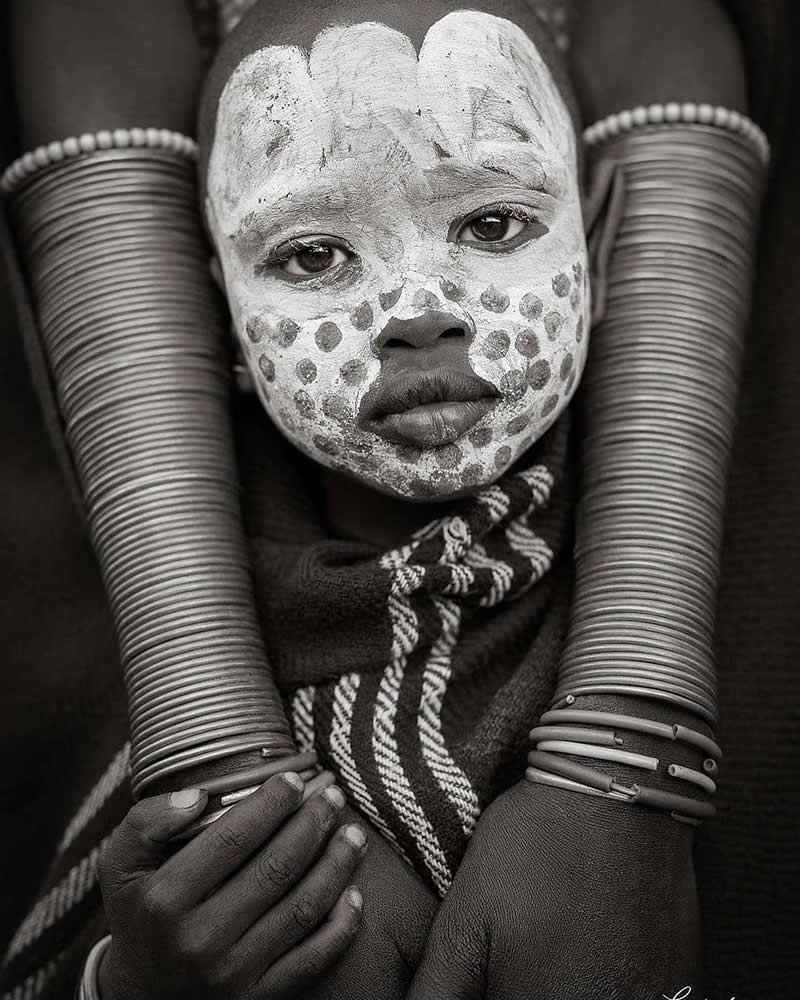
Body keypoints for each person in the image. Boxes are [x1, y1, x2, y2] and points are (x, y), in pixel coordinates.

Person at [1, 1, 763, 998]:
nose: (417, 312)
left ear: (606, 235)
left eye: (492, 224)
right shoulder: (67, 626)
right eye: (311, 254)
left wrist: (621, 763)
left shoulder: (758, 602)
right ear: (215, 310)